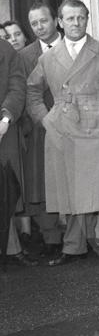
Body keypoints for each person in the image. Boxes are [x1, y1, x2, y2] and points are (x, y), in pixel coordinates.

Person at [26, 0, 99, 267]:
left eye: (81, 17)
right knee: (71, 188)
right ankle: (73, 246)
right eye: (70, 18)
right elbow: (32, 91)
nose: (76, 23)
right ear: (60, 22)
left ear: (87, 19)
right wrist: (46, 120)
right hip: (63, 127)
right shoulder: (47, 58)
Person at [18, 3, 63, 257]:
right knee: (44, 184)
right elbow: (25, 93)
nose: (39, 27)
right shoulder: (25, 56)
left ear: (55, 21)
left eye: (43, 21)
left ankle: (81, 238)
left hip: (75, 126)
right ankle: (51, 238)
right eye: (34, 23)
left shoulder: (73, 46)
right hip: (41, 127)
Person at [0, 37, 36, 266]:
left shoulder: (4, 49)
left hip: (3, 129)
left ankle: (11, 249)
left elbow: (17, 86)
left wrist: (5, 119)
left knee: (5, 191)